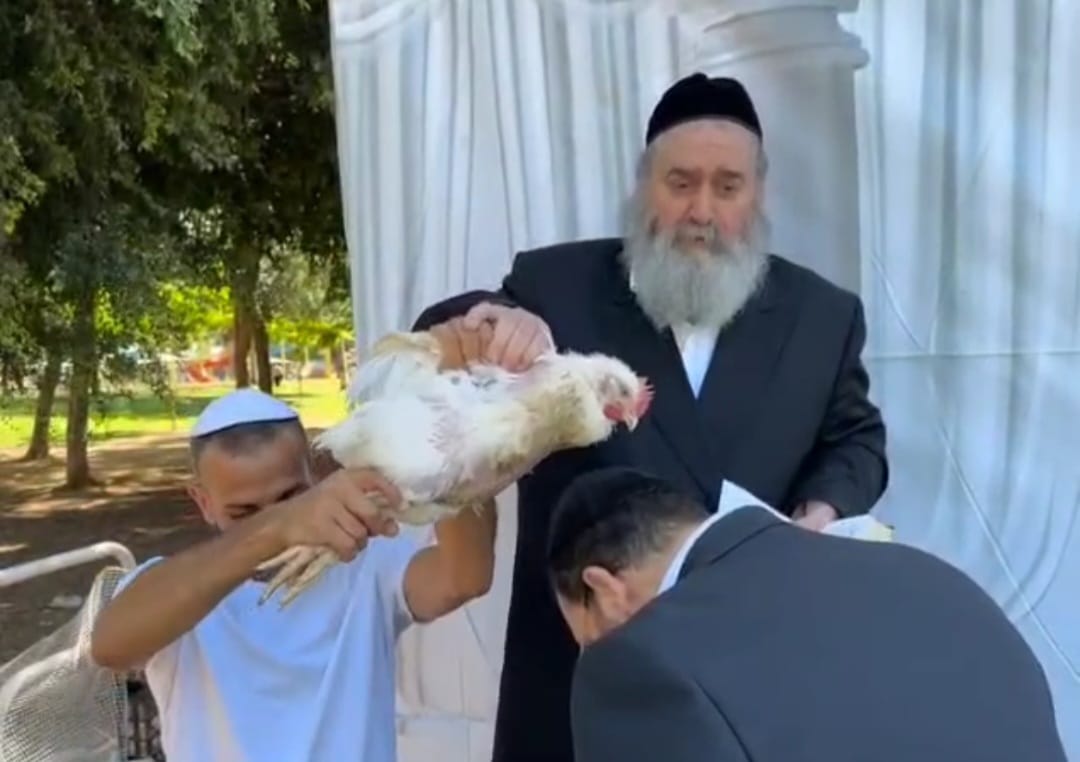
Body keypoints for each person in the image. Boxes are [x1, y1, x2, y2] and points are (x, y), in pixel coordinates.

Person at [413, 72, 888, 761]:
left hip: (744, 675)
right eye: (680, 183)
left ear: (758, 193)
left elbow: (856, 440)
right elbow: (445, 327)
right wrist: (499, 322)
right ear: (645, 187)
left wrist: (819, 514)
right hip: (576, 676)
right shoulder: (558, 287)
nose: (702, 210)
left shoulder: (822, 315)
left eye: (728, 186)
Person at [548, 466, 1068, 762]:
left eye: (586, 637)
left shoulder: (640, 663)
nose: (595, 651)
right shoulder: (933, 577)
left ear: (603, 589)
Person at [90, 388, 497, 762]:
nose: (280, 520)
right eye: (244, 513)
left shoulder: (368, 566)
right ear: (203, 501)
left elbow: (464, 578)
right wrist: (278, 527)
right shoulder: (176, 592)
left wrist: (449, 458)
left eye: (290, 497)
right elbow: (108, 647)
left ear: (314, 477)